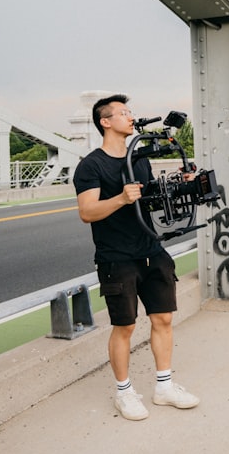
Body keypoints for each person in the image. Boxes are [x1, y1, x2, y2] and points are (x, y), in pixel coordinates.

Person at [73, 94, 200, 421]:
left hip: (151, 249)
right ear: (106, 121)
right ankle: (124, 392)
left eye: (130, 112)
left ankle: (164, 386)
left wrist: (183, 186)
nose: (131, 117)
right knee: (125, 326)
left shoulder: (140, 160)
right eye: (124, 113)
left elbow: (152, 200)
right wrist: (119, 198)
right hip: (117, 256)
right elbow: (87, 212)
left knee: (164, 318)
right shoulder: (91, 165)